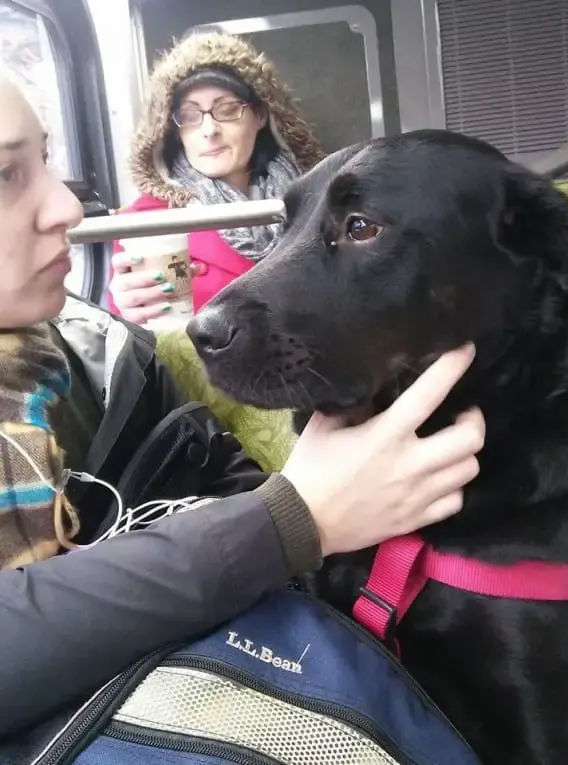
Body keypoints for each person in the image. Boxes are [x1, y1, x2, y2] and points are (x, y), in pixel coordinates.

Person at [0, 72, 485, 747]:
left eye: (45, 160)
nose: (67, 208)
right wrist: (291, 520)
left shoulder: (109, 355)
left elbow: (224, 475)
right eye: (4, 174)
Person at [108, 31, 324, 325]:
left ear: (260, 115)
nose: (209, 130)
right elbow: (136, 346)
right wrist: (125, 312)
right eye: (189, 115)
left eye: (228, 109)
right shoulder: (145, 224)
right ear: (172, 129)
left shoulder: (318, 201)